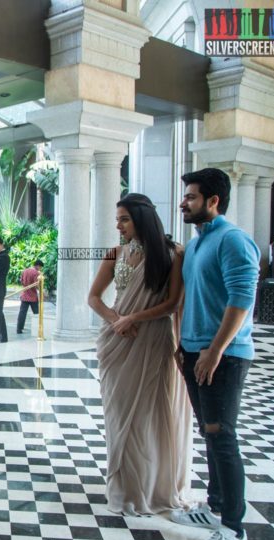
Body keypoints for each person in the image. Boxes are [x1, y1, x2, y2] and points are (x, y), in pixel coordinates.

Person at [171, 168, 259, 540]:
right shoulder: (195, 245)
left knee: (223, 436)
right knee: (209, 432)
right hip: (194, 352)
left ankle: (235, 529)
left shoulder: (234, 240)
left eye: (190, 197)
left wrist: (214, 350)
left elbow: (242, 299)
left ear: (213, 201)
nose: (183, 203)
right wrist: (184, 346)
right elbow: (189, 297)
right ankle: (215, 503)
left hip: (223, 355)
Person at [88, 193, 192, 516]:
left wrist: (136, 318)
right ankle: (124, 488)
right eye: (117, 219)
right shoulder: (115, 253)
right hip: (117, 342)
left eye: (124, 219)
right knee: (118, 415)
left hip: (152, 340)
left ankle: (147, 488)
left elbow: (173, 303)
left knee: (147, 414)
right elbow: (93, 297)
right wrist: (117, 320)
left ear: (141, 219)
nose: (118, 225)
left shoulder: (173, 254)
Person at [16, 259, 43, 334]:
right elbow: (36, 285)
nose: (40, 269)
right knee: (36, 313)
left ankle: (19, 329)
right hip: (32, 296)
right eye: (40, 267)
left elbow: (21, 281)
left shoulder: (25, 270)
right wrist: (42, 292)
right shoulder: (36, 273)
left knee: (22, 313)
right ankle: (38, 329)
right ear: (38, 266)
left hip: (24, 295)